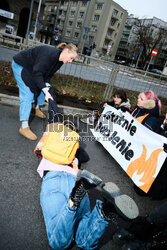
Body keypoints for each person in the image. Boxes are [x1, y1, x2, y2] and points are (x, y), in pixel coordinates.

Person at [38, 158, 139, 249]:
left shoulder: (48, 146)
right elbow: (84, 156)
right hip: (73, 179)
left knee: (59, 244)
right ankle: (106, 210)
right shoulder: (74, 152)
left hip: (54, 177)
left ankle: (74, 200)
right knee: (84, 242)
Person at [12, 43, 78, 140]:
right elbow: (37, 73)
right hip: (21, 65)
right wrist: (45, 90)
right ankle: (24, 127)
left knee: (45, 89)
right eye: (71, 58)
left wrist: (47, 89)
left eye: (73, 59)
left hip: (34, 69)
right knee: (28, 93)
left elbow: (47, 75)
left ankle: (35, 108)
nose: (71, 61)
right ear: (66, 51)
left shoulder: (60, 61)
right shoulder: (49, 54)